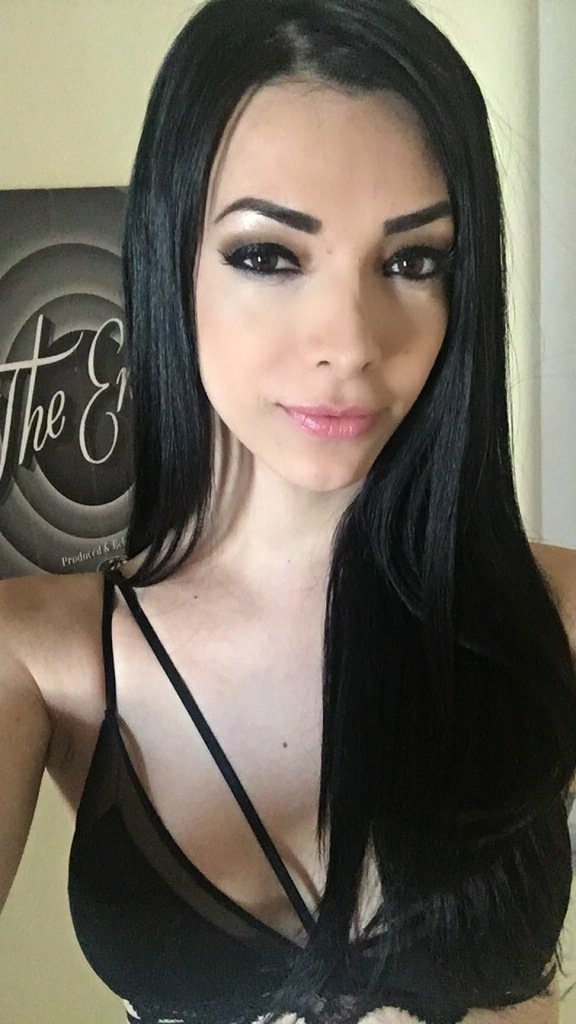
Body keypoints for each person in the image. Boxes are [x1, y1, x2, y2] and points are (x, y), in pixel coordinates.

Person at [1, 0, 576, 1022]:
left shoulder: (558, 612)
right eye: (268, 255)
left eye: (412, 261)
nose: (350, 342)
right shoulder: (39, 657)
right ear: (170, 259)